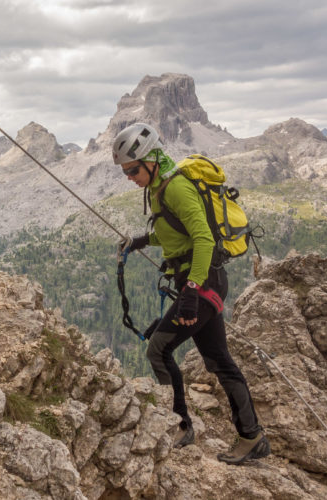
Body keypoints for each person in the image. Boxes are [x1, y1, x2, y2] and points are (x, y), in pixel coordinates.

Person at [112, 122, 270, 465]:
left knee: (159, 350)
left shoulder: (176, 188)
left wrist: (191, 290)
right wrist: (143, 240)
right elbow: (177, 234)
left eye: (132, 169)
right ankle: (251, 436)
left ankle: (180, 425)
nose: (129, 176)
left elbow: (203, 239)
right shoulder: (158, 187)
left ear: (152, 159)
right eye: (125, 171)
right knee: (218, 361)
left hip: (201, 285)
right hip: (204, 283)